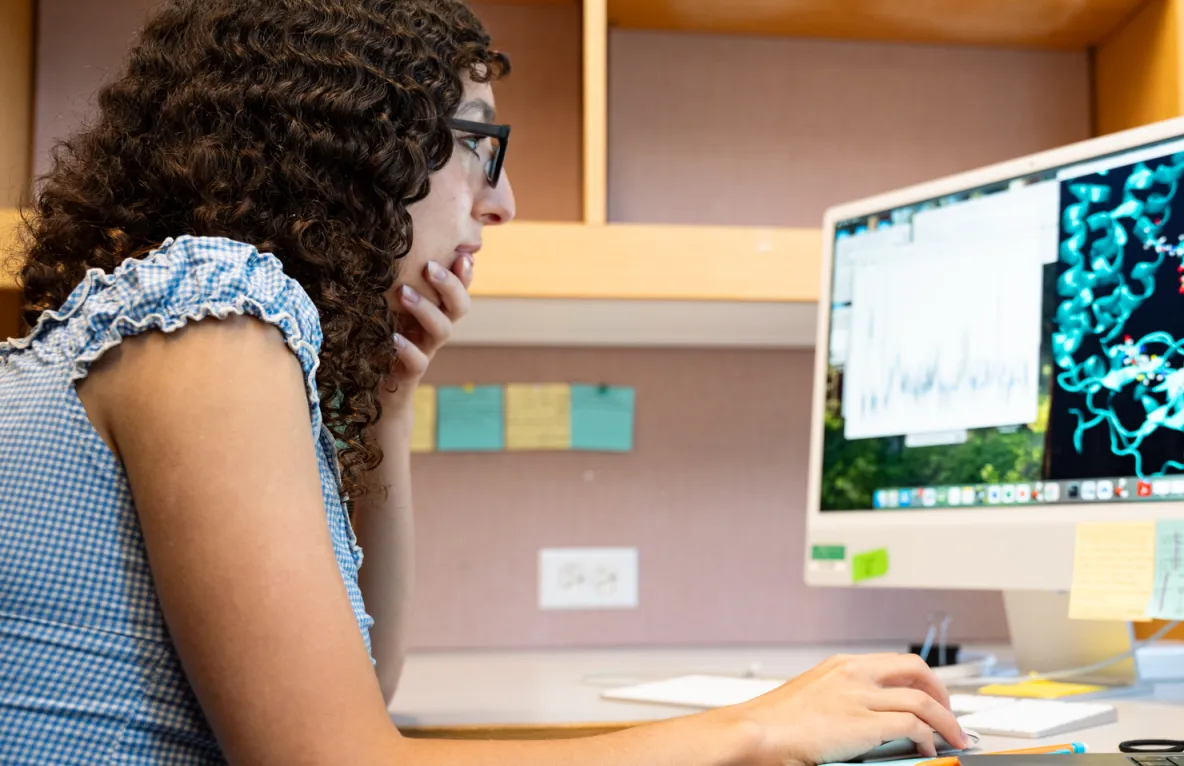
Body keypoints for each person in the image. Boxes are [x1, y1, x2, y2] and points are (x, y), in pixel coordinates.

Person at [0, 1, 967, 763]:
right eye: (479, 145)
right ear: (354, 142)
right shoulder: (212, 308)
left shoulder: (184, 320)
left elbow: (357, 693)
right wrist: (750, 731)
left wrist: (385, 404)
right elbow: (339, 760)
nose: (502, 202)